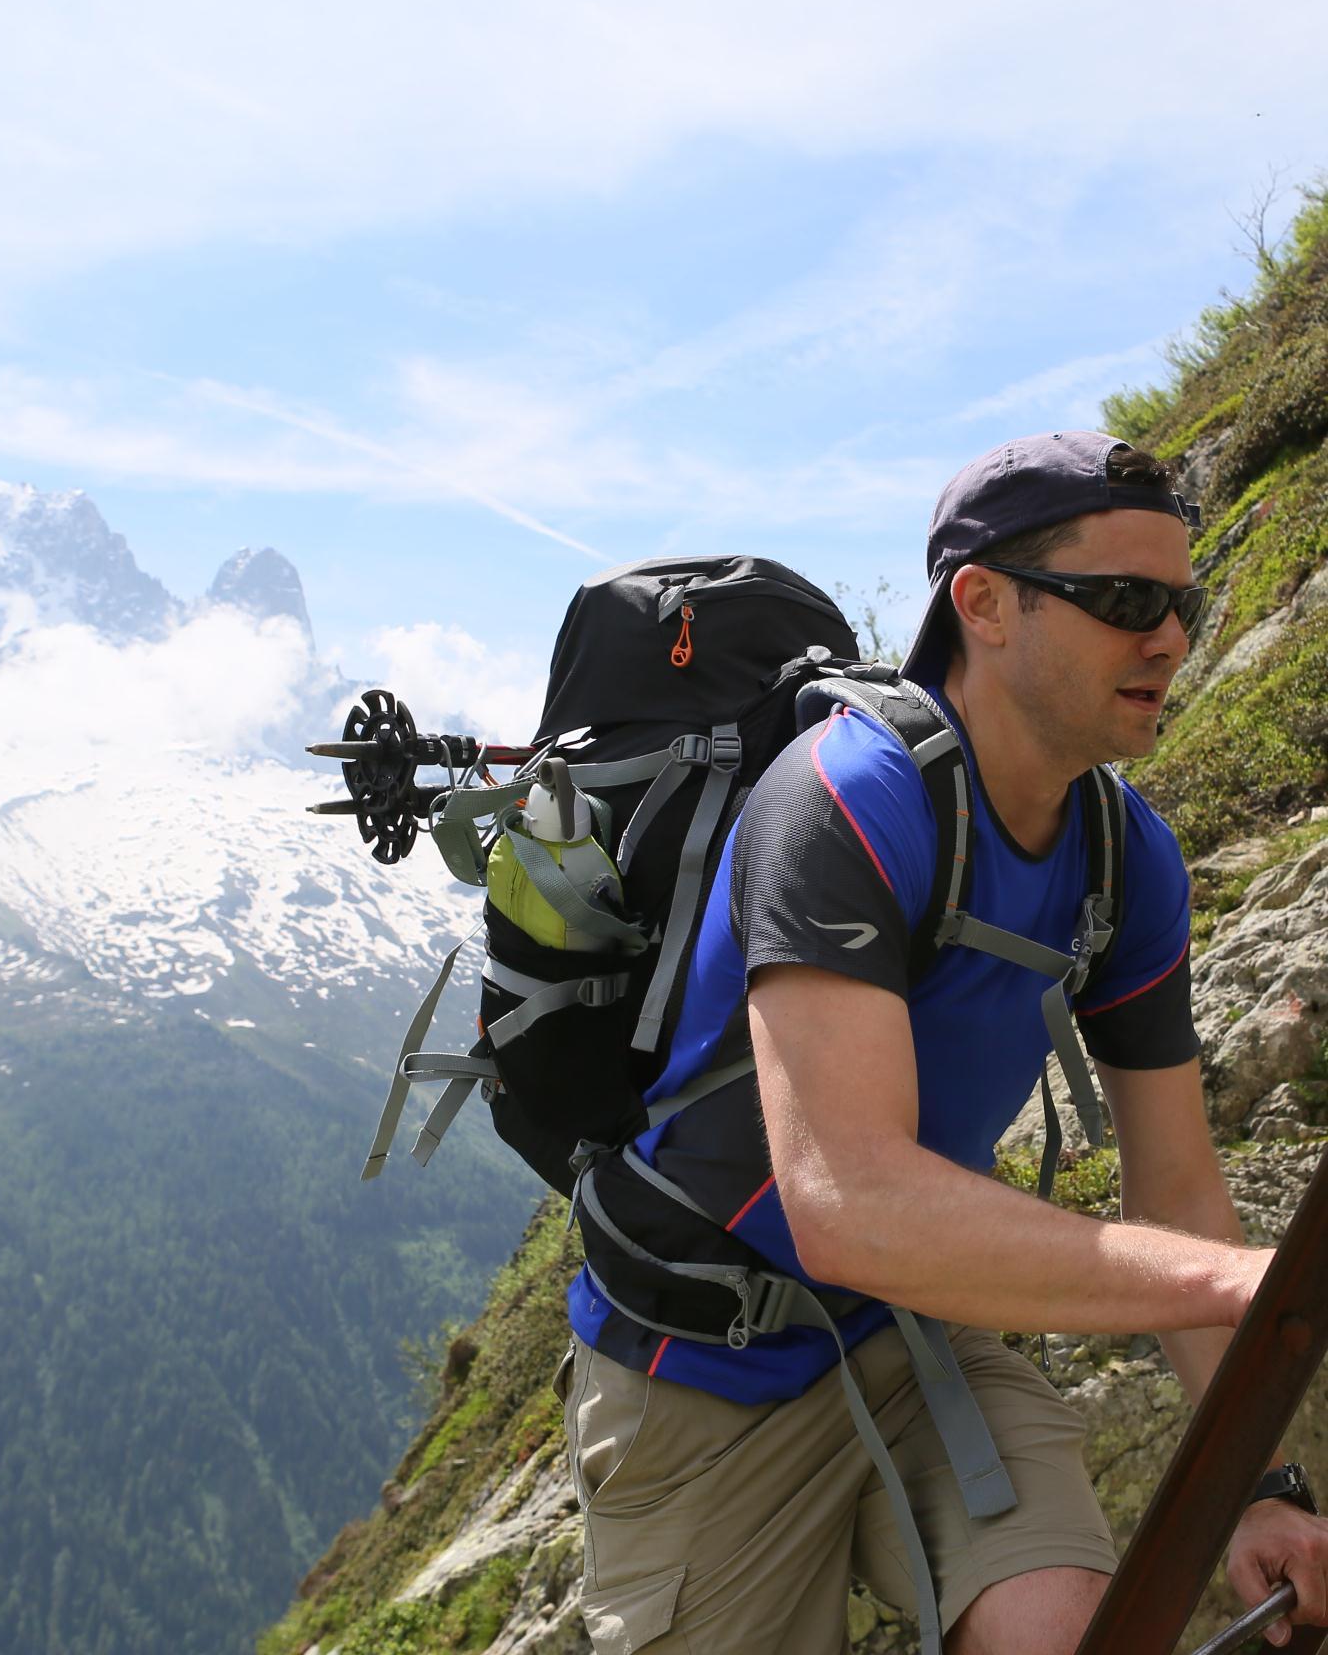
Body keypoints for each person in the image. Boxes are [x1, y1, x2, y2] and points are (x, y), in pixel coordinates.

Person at [559, 431, 1328, 1655]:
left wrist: (1256, 1479)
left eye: (1179, 603)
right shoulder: (844, 799)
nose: (1171, 640)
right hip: (706, 1372)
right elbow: (847, 1201)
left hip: (916, 1331)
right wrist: (1258, 1288)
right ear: (984, 604)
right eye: (1125, 601)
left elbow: (1176, 1181)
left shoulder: (1128, 859)